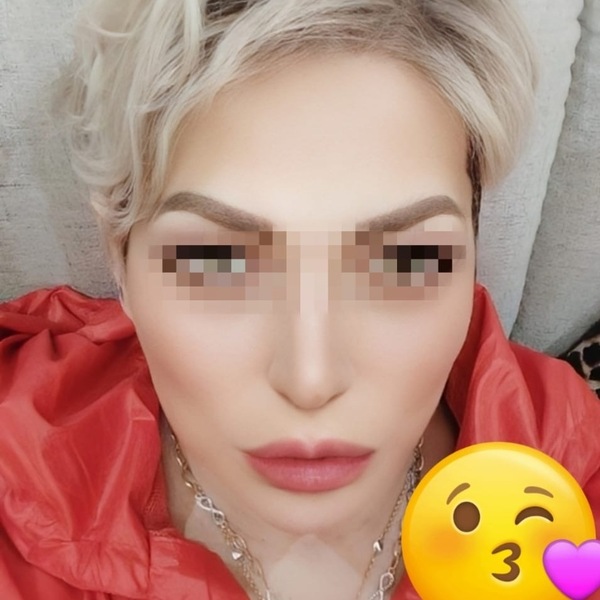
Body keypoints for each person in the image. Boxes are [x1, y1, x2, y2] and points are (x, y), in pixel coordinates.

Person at [0, 1, 599, 599]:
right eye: (217, 262)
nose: (311, 381)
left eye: (405, 261)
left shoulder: (577, 471)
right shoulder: (17, 475)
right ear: (120, 260)